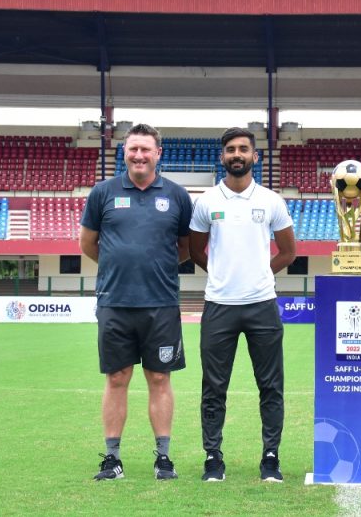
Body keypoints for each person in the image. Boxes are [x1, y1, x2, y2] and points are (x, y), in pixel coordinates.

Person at [80, 123, 192, 481]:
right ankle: (112, 459)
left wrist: (155, 267)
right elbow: (88, 243)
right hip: (115, 302)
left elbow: (187, 247)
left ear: (158, 153)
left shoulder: (176, 195)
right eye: (133, 149)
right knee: (116, 378)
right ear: (124, 153)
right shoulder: (103, 192)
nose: (139, 155)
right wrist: (119, 266)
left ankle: (163, 458)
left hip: (161, 304)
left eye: (146, 149)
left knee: (160, 377)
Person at [189, 127, 296, 482]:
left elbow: (289, 252)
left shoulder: (270, 200)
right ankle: (213, 457)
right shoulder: (207, 202)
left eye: (243, 149)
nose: (237, 154)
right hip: (219, 304)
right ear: (223, 157)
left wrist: (258, 273)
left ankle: (270, 457)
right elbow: (194, 250)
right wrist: (221, 272)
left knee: (270, 386)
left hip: (262, 304)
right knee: (214, 387)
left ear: (255, 156)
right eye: (231, 149)